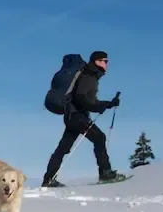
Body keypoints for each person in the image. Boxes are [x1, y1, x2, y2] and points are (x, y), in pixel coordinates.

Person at [42, 51, 124, 187]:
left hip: (71, 116)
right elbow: (83, 99)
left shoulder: (87, 75)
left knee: (63, 148)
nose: (106, 63)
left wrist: (106, 104)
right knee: (100, 138)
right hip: (77, 116)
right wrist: (105, 105)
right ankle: (105, 173)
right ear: (97, 61)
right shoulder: (89, 76)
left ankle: (48, 179)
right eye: (105, 60)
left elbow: (85, 99)